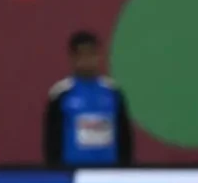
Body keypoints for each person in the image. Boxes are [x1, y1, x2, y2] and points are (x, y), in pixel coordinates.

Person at [43, 31, 134, 166]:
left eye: (91, 54)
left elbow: (125, 138)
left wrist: (124, 169)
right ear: (73, 58)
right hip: (72, 171)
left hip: (110, 171)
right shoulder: (61, 93)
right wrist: (55, 171)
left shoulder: (113, 92)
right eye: (81, 55)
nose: (87, 60)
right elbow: (51, 140)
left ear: (99, 56)